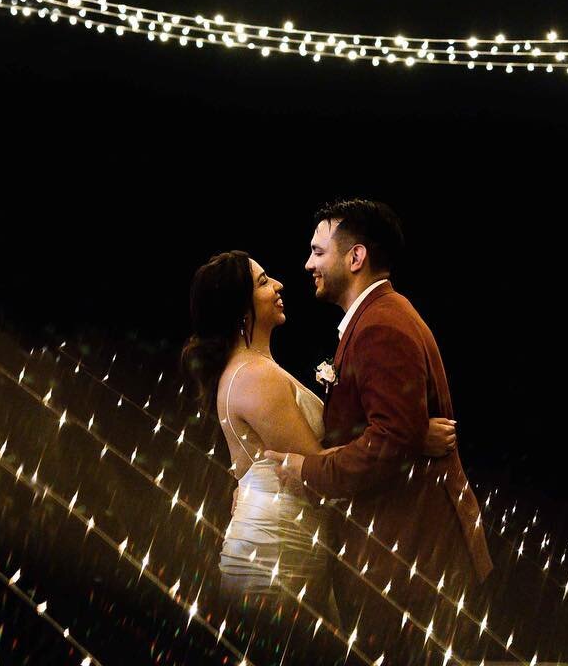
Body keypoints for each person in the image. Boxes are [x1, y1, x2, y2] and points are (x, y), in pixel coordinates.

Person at [267, 199, 493, 662]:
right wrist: (409, 435)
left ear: (356, 257)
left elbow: (389, 441)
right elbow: (394, 432)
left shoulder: (381, 326)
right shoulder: (380, 317)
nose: (307, 263)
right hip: (415, 559)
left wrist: (307, 471)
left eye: (317, 251)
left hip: (417, 563)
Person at [182, 249, 457, 619]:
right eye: (263, 282)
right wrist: (410, 436)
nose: (279, 285)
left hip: (289, 542)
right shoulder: (254, 376)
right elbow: (317, 469)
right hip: (274, 554)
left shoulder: (254, 368)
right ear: (240, 310)